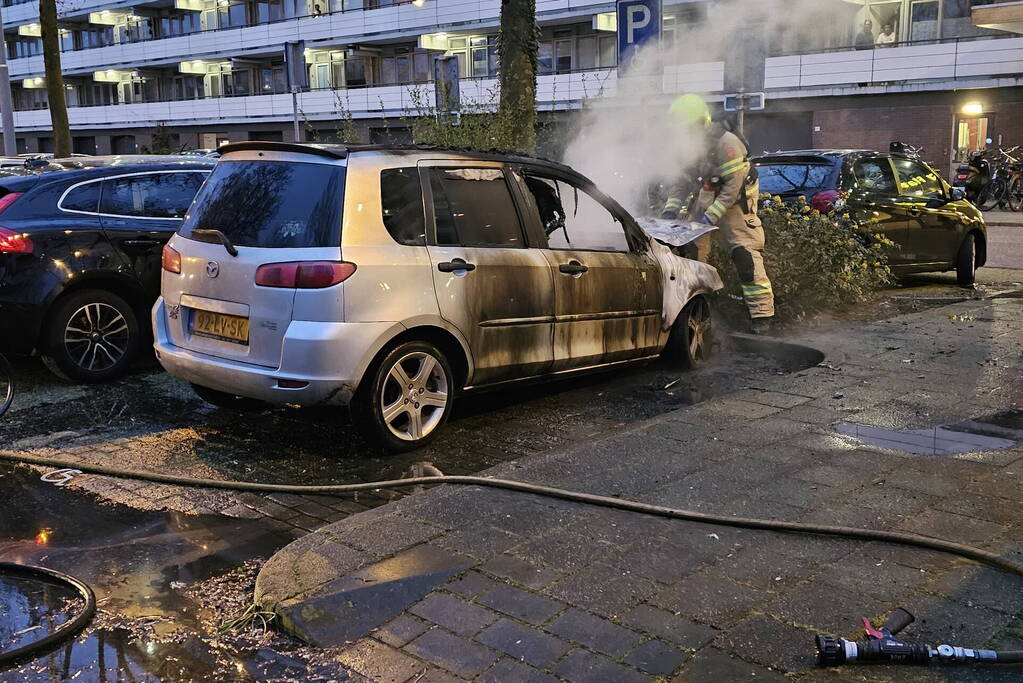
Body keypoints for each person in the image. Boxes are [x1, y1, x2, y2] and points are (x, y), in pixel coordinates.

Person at [661, 95, 775, 334]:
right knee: (692, 258)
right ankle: (699, 312)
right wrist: (671, 209)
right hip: (706, 198)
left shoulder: (728, 144)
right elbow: (681, 182)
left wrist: (709, 218)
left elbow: (732, 189)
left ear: (702, 122)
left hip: (736, 205)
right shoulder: (685, 146)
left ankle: (762, 316)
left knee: (745, 255)